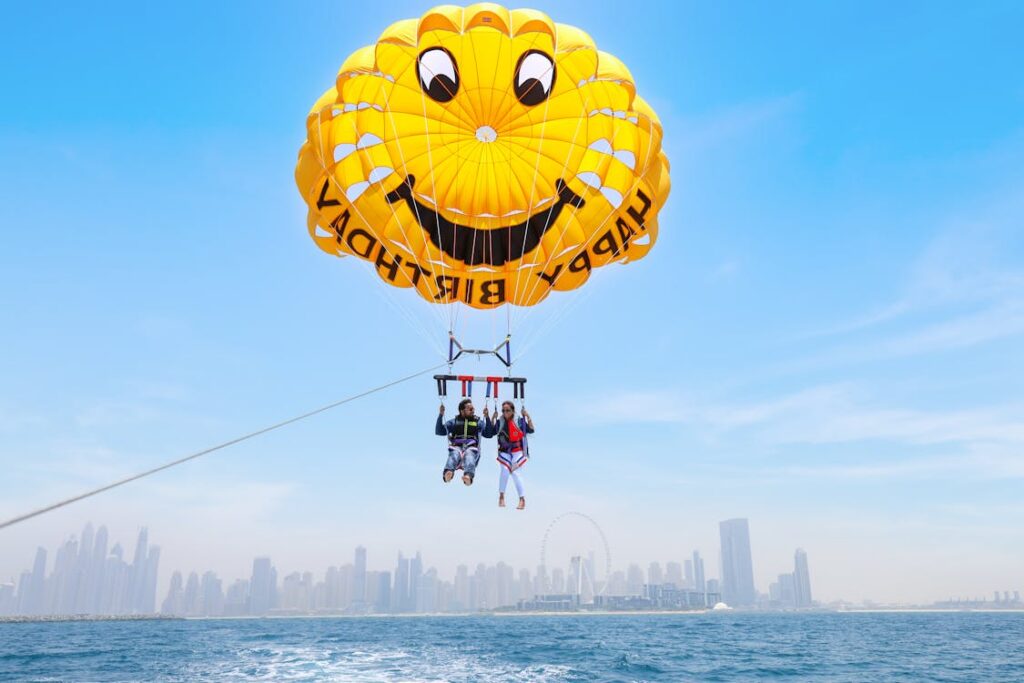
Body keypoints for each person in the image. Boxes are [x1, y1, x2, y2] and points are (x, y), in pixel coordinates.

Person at [436, 398, 495, 485]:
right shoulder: (454, 422)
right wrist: (441, 415)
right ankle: (448, 473)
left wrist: (487, 417)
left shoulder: (478, 422)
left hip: (471, 447)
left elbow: (489, 434)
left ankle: (468, 476)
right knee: (454, 455)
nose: (473, 410)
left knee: (469, 456)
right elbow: (439, 431)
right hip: (457, 447)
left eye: (473, 409)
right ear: (462, 411)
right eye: (470, 409)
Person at [495, 401, 534, 510]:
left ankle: (522, 499)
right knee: (505, 470)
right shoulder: (500, 422)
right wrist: (489, 418)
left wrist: (527, 416)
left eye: (507, 410)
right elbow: (489, 433)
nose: (505, 413)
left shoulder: (519, 421)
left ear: (513, 411)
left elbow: (531, 430)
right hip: (504, 451)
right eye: (503, 411)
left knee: (516, 473)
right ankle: (501, 496)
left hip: (517, 450)